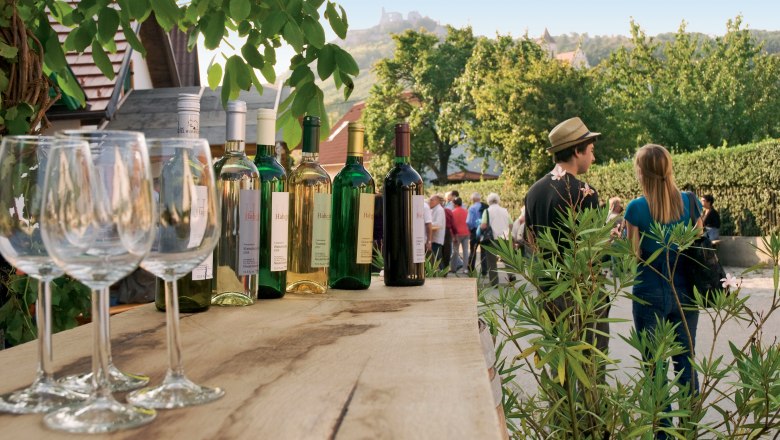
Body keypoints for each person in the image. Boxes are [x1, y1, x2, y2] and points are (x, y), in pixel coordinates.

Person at [624, 144, 702, 435]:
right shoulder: (690, 203)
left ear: (641, 171)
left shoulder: (636, 208)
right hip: (685, 291)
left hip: (649, 291)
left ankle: (664, 433)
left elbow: (633, 256)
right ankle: (690, 429)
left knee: (654, 367)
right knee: (686, 363)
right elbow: (697, 243)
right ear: (669, 168)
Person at [524, 116, 607, 352]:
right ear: (577, 152)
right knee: (591, 364)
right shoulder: (584, 192)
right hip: (579, 291)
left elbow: (530, 241)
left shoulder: (533, 192)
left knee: (560, 367)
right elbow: (592, 248)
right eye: (590, 150)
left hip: (549, 288)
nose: (593, 157)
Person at [480, 193, 511, 286]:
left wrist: (481, 228)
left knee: (491, 261)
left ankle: (494, 282)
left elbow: (484, 225)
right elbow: (511, 224)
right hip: (504, 237)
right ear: (498, 200)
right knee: (507, 259)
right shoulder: (505, 211)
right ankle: (511, 275)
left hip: (492, 238)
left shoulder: (487, 211)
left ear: (488, 201)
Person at [467, 192, 487, 274]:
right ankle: (484, 270)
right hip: (485, 231)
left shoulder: (472, 208)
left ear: (473, 199)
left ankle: (471, 269)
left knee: (473, 251)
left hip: (475, 231)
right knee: (484, 251)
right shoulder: (485, 206)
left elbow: (469, 221)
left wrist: (471, 229)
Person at [450, 197, 470, 273]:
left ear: (454, 204)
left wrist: (453, 236)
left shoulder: (453, 212)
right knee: (465, 251)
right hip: (466, 233)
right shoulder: (466, 211)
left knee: (455, 252)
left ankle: (453, 268)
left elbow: (452, 225)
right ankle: (465, 269)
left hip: (457, 234)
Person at [429, 195, 446, 265]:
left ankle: (442, 273)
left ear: (437, 200)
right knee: (436, 258)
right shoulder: (434, 209)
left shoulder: (439, 210)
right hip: (434, 238)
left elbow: (438, 224)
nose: (430, 201)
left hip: (437, 239)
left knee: (437, 258)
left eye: (431, 200)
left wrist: (428, 224)